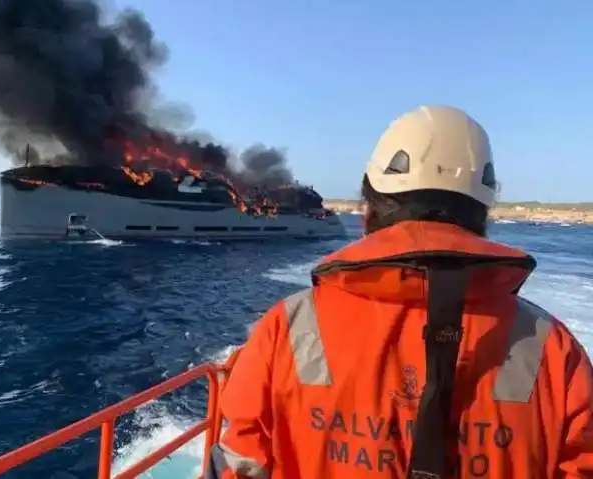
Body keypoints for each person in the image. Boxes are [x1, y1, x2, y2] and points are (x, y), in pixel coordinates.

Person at [205, 105, 593, 478]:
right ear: (482, 213)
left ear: (368, 211)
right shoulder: (554, 349)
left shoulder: (285, 331)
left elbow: (239, 462)